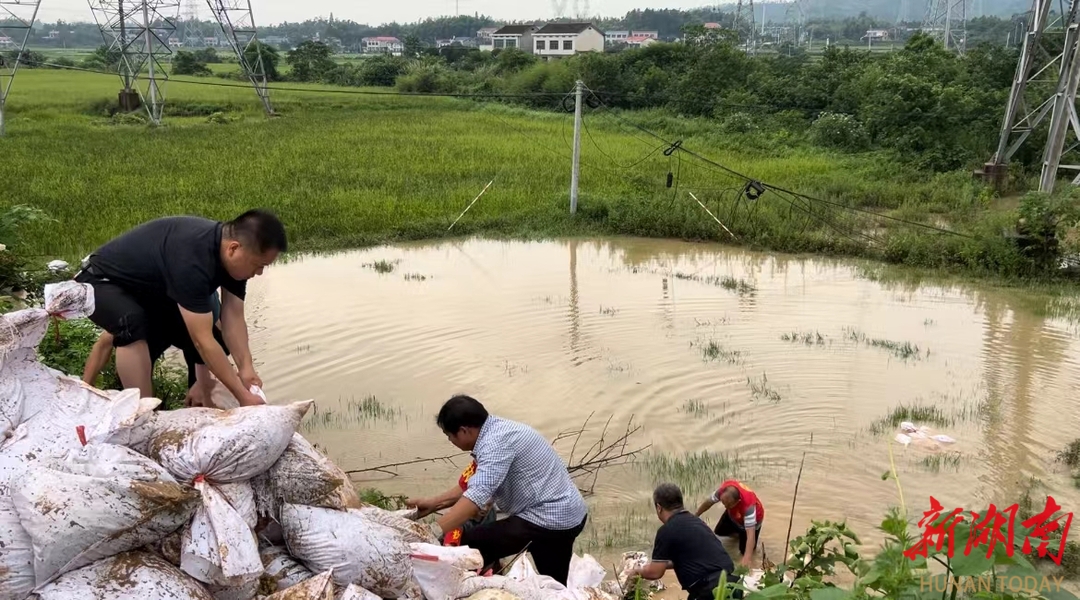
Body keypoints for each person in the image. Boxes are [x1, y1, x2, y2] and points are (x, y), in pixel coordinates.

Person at [73, 210, 286, 407]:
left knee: (211, 330)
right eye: (259, 265)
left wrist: (246, 367)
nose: (259, 273)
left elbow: (233, 317)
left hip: (150, 292)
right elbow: (202, 341)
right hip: (99, 281)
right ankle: (145, 414)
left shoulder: (233, 261)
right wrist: (243, 396)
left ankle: (197, 393)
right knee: (131, 323)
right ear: (233, 248)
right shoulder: (193, 261)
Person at [406, 395, 588, 585]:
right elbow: (473, 483)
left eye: (450, 435)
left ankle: (482, 581)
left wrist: (431, 531)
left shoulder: (495, 445)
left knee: (468, 545)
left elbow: (475, 496)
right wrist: (434, 503)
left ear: (464, 431)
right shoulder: (496, 430)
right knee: (554, 581)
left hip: (551, 518)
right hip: (565, 511)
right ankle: (497, 573)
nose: (450, 440)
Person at [81, 290, 228, 407]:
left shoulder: (199, 309)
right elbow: (103, 345)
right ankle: (152, 414)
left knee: (202, 395)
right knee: (136, 387)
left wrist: (203, 383)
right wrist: (84, 390)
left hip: (196, 332)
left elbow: (222, 341)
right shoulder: (137, 315)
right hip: (157, 323)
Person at [627, 483, 741, 600]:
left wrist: (637, 571)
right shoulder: (698, 523)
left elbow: (655, 573)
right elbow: (695, 557)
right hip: (734, 585)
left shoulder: (666, 530)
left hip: (709, 591)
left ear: (659, 508)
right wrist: (663, 564)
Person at [695, 479, 765, 568]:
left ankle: (742, 535)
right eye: (723, 503)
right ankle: (738, 535)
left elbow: (750, 536)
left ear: (738, 501)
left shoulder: (748, 507)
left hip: (754, 519)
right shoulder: (722, 491)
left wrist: (746, 560)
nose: (725, 506)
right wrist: (695, 515)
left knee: (745, 552)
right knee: (719, 533)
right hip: (734, 514)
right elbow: (708, 502)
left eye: (728, 504)